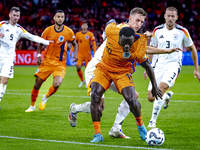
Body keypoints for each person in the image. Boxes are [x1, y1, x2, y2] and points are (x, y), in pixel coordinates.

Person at [68, 8, 180, 139]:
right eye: (137, 20)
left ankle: (116, 128)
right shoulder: (119, 29)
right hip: (97, 67)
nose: (139, 24)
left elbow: (141, 49)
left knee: (133, 96)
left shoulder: (131, 34)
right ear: (130, 19)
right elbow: (112, 27)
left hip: (117, 70)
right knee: (99, 106)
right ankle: (74, 110)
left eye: (142, 22)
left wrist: (165, 51)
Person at [89, 19, 163, 142]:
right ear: (119, 38)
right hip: (104, 69)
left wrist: (155, 86)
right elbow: (110, 21)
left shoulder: (138, 46)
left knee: (132, 99)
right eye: (124, 42)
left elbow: (148, 66)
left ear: (133, 39)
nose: (127, 46)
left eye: (130, 42)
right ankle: (97, 134)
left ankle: (141, 127)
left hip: (122, 72)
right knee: (95, 95)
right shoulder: (111, 31)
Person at [145, 6, 200, 128]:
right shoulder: (157, 30)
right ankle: (166, 97)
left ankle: (152, 121)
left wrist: (196, 69)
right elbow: (152, 49)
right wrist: (148, 66)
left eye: (172, 16)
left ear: (176, 17)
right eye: (168, 16)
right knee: (150, 97)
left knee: (159, 89)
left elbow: (192, 49)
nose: (170, 18)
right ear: (164, 16)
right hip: (159, 65)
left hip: (173, 65)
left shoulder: (182, 31)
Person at [25, 10, 78, 112]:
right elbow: (40, 43)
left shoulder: (69, 32)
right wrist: (39, 55)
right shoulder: (47, 30)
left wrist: (75, 54)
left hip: (60, 63)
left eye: (62, 17)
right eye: (58, 17)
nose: (60, 19)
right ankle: (32, 106)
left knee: (57, 84)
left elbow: (75, 44)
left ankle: (45, 97)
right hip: (47, 62)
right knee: (37, 84)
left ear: (64, 18)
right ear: (54, 18)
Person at [0, 7, 50, 106]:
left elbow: (32, 37)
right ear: (9, 15)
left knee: (4, 80)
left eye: (17, 16)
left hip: (9, 58)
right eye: (14, 15)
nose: (15, 17)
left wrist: (46, 42)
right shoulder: (1, 24)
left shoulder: (19, 29)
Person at [70, 21, 97, 88]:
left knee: (88, 70)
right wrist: (71, 52)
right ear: (81, 26)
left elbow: (93, 44)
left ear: (87, 27)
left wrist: (95, 52)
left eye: (85, 25)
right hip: (80, 55)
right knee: (78, 67)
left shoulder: (90, 34)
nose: (84, 26)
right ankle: (82, 80)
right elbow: (74, 44)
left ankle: (89, 82)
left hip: (88, 55)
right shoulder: (78, 34)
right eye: (83, 25)